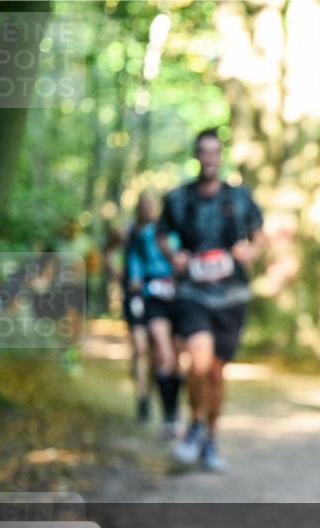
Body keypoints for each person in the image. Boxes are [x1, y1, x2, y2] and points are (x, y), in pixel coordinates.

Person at [157, 128, 265, 471]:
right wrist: (174, 256)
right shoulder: (178, 199)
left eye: (215, 152)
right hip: (193, 294)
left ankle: (210, 438)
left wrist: (250, 251)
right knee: (199, 364)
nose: (209, 158)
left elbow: (260, 237)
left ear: (221, 156)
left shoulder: (240, 198)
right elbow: (161, 235)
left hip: (231, 296)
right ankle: (193, 426)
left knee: (216, 374)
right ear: (196, 156)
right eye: (203, 152)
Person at [127, 191, 183, 439]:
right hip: (152, 296)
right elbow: (135, 260)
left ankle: (173, 412)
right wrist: (134, 278)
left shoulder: (180, 232)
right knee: (161, 352)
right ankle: (164, 415)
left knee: (176, 359)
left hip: (178, 297)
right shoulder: (143, 234)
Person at [106, 203, 152, 422]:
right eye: (146, 206)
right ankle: (142, 396)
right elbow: (107, 251)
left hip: (158, 296)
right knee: (140, 348)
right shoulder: (127, 231)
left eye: (153, 206)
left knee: (156, 351)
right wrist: (118, 274)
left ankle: (150, 390)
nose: (149, 210)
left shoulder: (162, 232)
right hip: (134, 296)